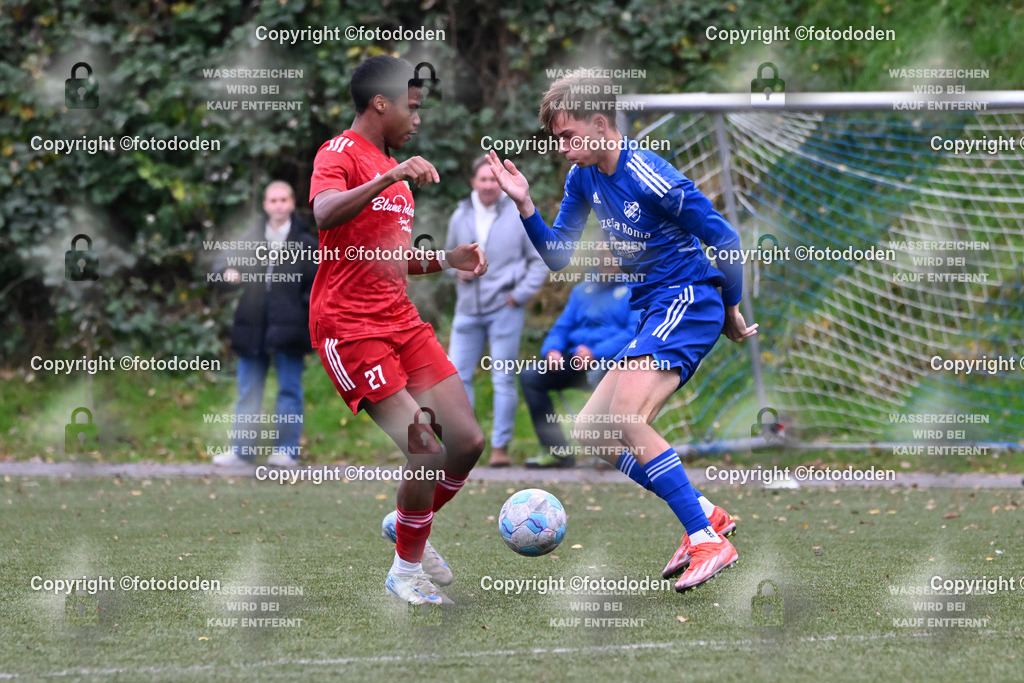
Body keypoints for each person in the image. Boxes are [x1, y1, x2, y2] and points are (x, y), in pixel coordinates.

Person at [486, 70, 757, 593]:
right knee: (593, 431)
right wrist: (524, 205)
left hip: (688, 301)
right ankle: (705, 513)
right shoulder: (582, 178)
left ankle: (705, 539)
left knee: (626, 419)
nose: (561, 148)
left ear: (600, 122)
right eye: (556, 140)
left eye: (567, 136)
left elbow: (723, 236)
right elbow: (558, 256)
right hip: (654, 310)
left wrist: (730, 305)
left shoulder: (650, 175)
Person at [308, 55, 487, 606]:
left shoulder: (402, 183)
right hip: (349, 327)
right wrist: (388, 173)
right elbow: (324, 214)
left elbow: (393, 259)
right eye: (410, 104)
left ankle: (410, 524)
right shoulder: (338, 154)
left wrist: (447, 259)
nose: (418, 115)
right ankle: (405, 569)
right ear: (379, 103)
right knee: (425, 448)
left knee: (467, 442)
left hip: (400, 321)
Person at [445, 156, 548, 467]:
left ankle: (500, 449)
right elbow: (448, 256)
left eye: (493, 180)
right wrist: (455, 269)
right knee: (455, 377)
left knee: (502, 377)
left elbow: (539, 259)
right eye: (483, 180)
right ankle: (466, 445)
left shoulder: (517, 213)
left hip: (505, 308)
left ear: (500, 183)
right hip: (466, 309)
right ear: (473, 182)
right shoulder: (459, 215)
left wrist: (520, 295)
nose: (489, 185)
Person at [212, 181, 318, 468]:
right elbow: (219, 267)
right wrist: (228, 273)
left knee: (289, 390)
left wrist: (303, 309)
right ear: (265, 205)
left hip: (291, 330)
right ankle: (242, 451)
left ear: (292, 203)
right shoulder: (249, 238)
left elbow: (320, 285)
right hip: (251, 327)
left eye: (283, 199)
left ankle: (286, 450)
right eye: (273, 200)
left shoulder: (306, 243)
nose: (278, 205)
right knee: (248, 390)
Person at [520, 255, 640, 468]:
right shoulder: (581, 291)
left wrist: (595, 353)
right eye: (602, 254)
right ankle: (557, 452)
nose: (607, 260)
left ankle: (611, 452)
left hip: (612, 363)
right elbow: (561, 328)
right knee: (531, 376)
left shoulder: (636, 289)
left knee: (606, 374)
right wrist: (552, 350)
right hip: (575, 361)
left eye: (612, 254)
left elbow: (633, 334)